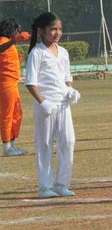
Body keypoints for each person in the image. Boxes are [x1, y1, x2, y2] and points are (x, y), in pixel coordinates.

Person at [25, 12, 80, 198]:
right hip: (46, 106)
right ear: (41, 31)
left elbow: (67, 77)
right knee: (44, 145)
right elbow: (30, 83)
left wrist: (70, 90)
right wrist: (43, 102)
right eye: (53, 29)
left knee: (68, 142)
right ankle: (45, 187)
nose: (57, 33)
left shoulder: (63, 52)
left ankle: (62, 183)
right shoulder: (37, 53)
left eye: (60, 29)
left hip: (63, 104)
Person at [0, 19, 30, 156]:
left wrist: (18, 59)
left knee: (16, 114)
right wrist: (15, 40)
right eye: (16, 30)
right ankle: (6, 146)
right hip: (5, 83)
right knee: (7, 114)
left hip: (12, 82)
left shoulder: (8, 43)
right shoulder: (3, 41)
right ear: (10, 29)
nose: (17, 32)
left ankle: (12, 145)